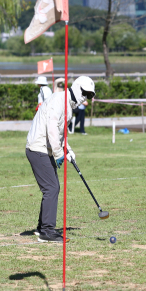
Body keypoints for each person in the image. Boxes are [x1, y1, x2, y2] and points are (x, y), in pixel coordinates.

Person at [25, 76, 96, 243]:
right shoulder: (59, 101)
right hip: (38, 148)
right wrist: (58, 153)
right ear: (78, 88)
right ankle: (47, 232)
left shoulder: (68, 105)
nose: (86, 98)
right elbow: (52, 128)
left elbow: (61, 133)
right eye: (85, 93)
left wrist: (67, 150)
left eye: (90, 96)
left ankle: (42, 228)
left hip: (45, 149)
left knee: (52, 188)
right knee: (52, 188)